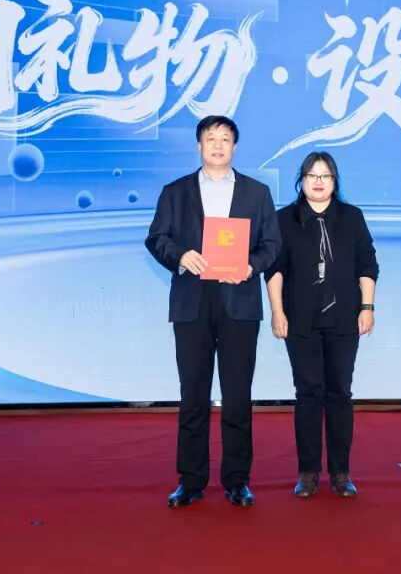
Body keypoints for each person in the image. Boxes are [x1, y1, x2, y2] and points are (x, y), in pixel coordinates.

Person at [145, 115, 281, 508]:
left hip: (239, 301)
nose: (218, 145)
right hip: (192, 301)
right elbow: (156, 237)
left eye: (225, 139)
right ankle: (190, 480)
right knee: (193, 394)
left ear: (234, 147)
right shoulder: (175, 192)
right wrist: (180, 256)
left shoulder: (257, 192)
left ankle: (237, 480)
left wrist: (251, 266)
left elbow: (273, 243)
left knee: (238, 394)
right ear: (199, 146)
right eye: (210, 138)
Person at [264, 151, 378, 498]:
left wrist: (367, 307)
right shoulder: (284, 219)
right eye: (312, 175)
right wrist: (278, 312)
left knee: (340, 393)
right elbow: (275, 269)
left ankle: (341, 472)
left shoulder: (352, 217)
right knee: (308, 394)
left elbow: (367, 264)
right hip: (300, 319)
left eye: (325, 176)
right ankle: (309, 472)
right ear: (301, 180)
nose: (318, 181)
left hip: (344, 318)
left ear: (334, 181)